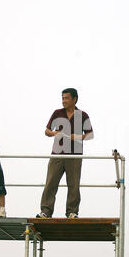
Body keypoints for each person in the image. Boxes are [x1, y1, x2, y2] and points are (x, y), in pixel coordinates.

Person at [37, 88, 94, 219]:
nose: (64, 101)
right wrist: (54, 133)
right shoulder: (57, 113)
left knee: (73, 184)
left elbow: (90, 134)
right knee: (51, 182)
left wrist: (78, 137)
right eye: (62, 98)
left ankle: (72, 212)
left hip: (74, 155)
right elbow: (47, 131)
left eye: (66, 98)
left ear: (74, 99)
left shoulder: (82, 115)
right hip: (57, 154)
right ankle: (45, 211)